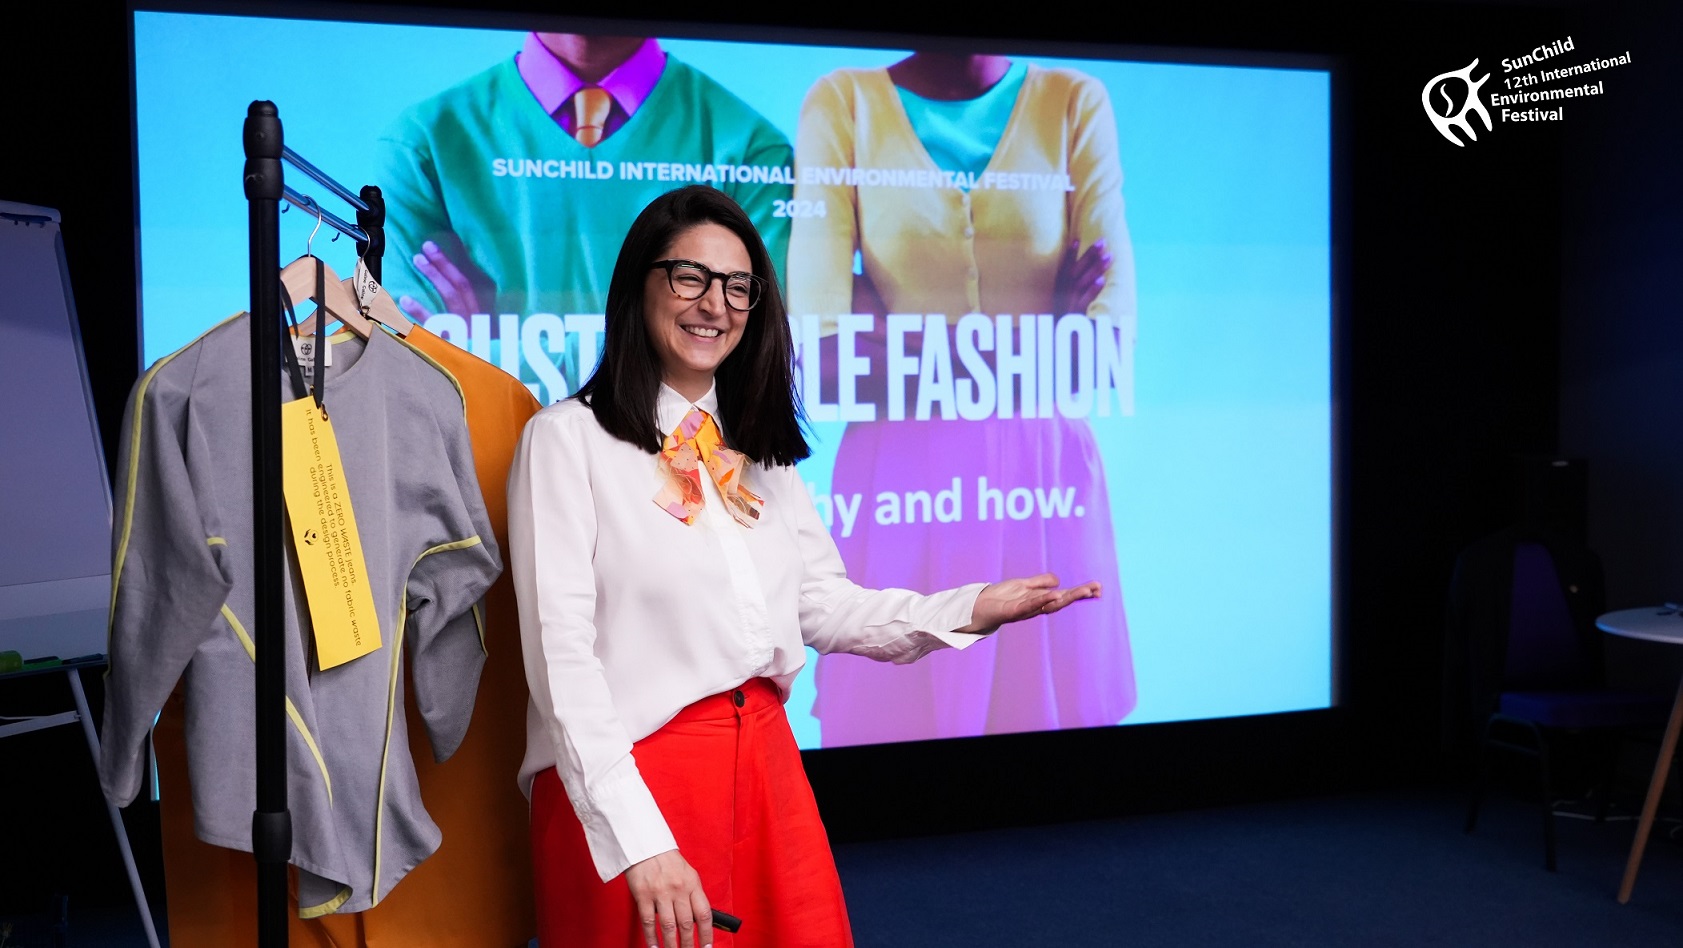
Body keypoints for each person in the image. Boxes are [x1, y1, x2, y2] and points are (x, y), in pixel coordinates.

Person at [507, 184, 1101, 947]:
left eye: (738, 286)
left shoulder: (756, 449)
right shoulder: (565, 440)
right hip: (631, 783)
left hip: (764, 768)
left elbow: (821, 604)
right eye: (689, 277)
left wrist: (968, 609)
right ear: (638, 287)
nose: (714, 305)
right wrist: (638, 841)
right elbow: (560, 662)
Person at [787, 52, 1138, 746]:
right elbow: (822, 359)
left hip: (1042, 482)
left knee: (1063, 750)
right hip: (901, 486)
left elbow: (1104, 351)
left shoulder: (1075, 101)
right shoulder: (842, 102)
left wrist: (900, 338)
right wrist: (1042, 331)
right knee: (892, 731)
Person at [376, 32, 794, 403]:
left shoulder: (754, 149)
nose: (708, 299)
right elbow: (415, 364)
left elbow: (747, 360)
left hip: (666, 459)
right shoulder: (422, 142)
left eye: (689, 277)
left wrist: (487, 347)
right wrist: (666, 349)